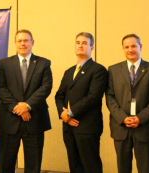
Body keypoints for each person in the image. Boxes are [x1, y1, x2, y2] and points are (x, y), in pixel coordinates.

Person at [0, 29, 52, 173]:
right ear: (15, 43)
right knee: (6, 164)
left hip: (35, 121)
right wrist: (17, 108)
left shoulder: (43, 63)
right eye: (19, 41)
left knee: (33, 165)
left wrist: (27, 105)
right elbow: (0, 88)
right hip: (9, 121)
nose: (22, 43)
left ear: (32, 43)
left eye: (26, 40)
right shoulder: (4, 63)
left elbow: (46, 87)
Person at [106, 34, 149, 173]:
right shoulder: (113, 70)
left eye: (133, 46)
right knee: (123, 168)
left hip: (144, 127)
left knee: (145, 169)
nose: (130, 49)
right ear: (123, 49)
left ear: (140, 47)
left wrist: (140, 118)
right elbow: (109, 97)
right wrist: (123, 118)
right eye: (126, 47)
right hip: (121, 128)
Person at [55, 32, 107, 173]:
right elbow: (59, 96)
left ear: (92, 47)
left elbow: (93, 97)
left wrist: (70, 113)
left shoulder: (98, 70)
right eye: (78, 42)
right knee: (74, 166)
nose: (80, 45)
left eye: (85, 43)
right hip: (68, 127)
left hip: (87, 127)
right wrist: (63, 114)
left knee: (91, 166)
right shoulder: (69, 71)